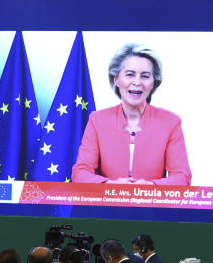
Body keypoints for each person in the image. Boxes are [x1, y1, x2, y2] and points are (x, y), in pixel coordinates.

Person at [72, 43, 191, 186]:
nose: (137, 82)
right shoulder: (97, 120)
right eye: (130, 75)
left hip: (152, 206)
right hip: (107, 204)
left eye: (145, 76)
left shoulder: (170, 122)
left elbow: (182, 177)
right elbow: (80, 173)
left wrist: (151, 186)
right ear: (116, 79)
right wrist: (109, 184)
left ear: (154, 82)